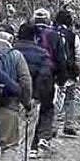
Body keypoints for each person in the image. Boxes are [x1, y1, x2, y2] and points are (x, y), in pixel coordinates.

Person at [0, 31, 33, 161]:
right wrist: (27, 103)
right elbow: (25, 82)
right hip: (9, 107)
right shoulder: (16, 56)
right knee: (9, 145)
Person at [13, 23, 57, 153]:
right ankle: (30, 149)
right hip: (32, 95)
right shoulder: (42, 54)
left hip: (11, 97)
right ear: (35, 37)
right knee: (29, 126)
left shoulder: (10, 52)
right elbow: (45, 77)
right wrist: (38, 96)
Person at [49, 9, 80, 138]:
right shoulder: (72, 36)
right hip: (70, 71)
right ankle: (69, 124)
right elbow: (79, 56)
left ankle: (52, 126)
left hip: (53, 71)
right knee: (69, 98)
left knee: (55, 99)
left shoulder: (50, 34)